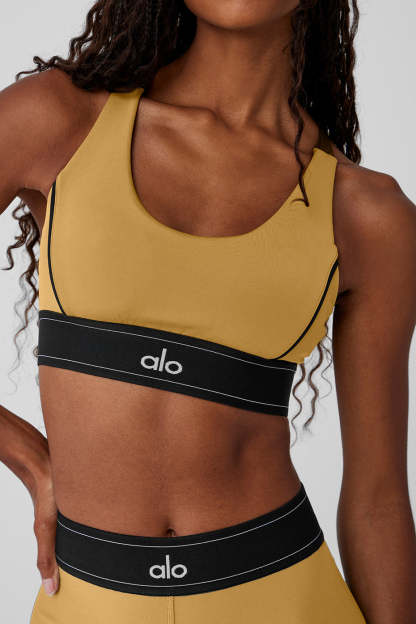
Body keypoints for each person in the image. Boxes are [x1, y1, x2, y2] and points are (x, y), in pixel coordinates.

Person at [1, 1, 415, 622]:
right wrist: (31, 460)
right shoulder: (57, 120)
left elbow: (377, 501)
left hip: (286, 601)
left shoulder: (367, 214)